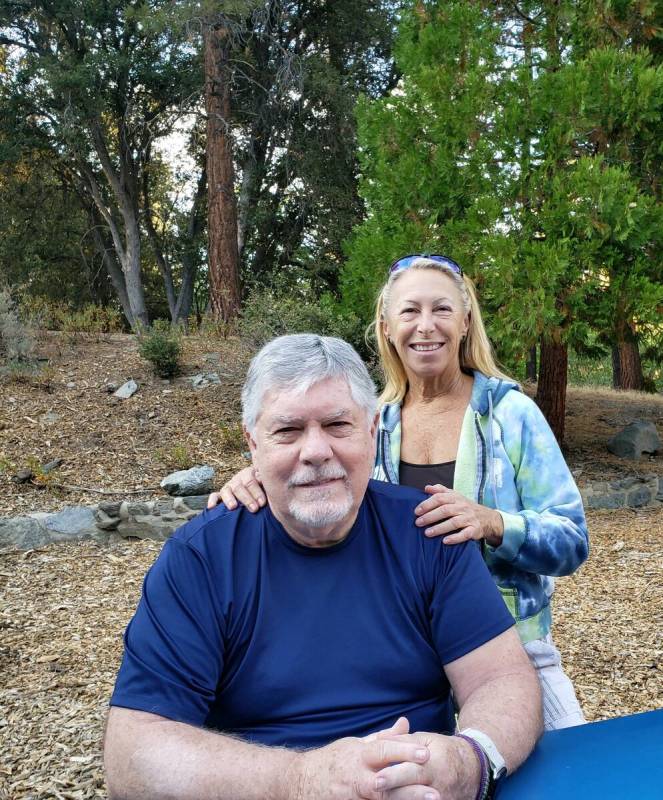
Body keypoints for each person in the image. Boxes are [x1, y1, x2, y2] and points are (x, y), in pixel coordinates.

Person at [105, 334, 542, 800]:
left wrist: (466, 762)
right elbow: (132, 752)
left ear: (372, 430)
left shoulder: (431, 532)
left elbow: (503, 678)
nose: (315, 451)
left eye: (337, 425)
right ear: (252, 443)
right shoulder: (201, 558)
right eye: (288, 431)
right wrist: (302, 781)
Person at [210, 256, 589, 731]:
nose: (425, 326)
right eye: (410, 312)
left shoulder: (511, 415)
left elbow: (573, 540)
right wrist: (256, 481)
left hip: (513, 653)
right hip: (400, 661)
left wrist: (493, 523)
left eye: (442, 310)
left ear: (466, 322)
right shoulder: (371, 423)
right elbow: (320, 497)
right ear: (387, 327)